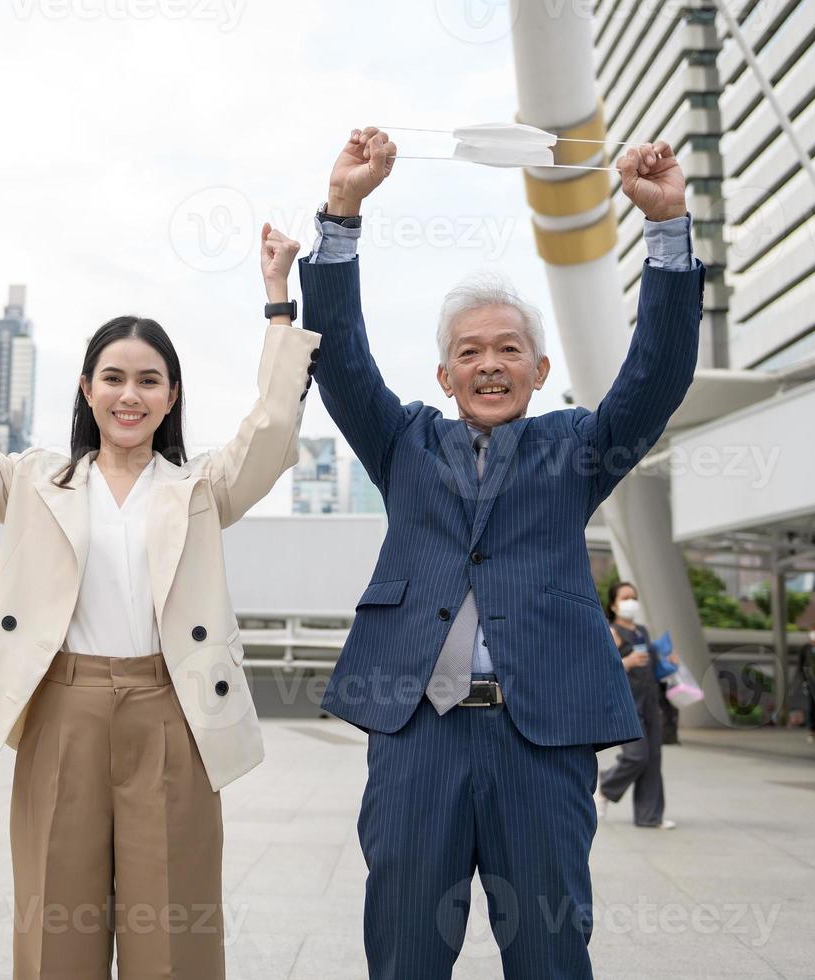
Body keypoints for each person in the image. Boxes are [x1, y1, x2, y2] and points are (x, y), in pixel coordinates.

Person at [299, 127, 703, 978]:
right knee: (404, 952)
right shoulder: (401, 442)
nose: (489, 366)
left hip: (541, 738)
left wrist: (666, 228)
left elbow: (656, 374)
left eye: (507, 350)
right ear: (443, 376)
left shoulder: (574, 448)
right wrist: (342, 214)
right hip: (417, 739)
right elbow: (337, 359)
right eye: (469, 353)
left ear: (538, 367)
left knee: (551, 955)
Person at [0, 220, 318, 979]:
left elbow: (271, 431)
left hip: (170, 712)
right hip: (62, 712)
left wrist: (277, 301)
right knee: (55, 929)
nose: (129, 394)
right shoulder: (34, 480)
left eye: (149, 380)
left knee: (171, 933)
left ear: (172, 396)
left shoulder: (200, 489)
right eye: (113, 377)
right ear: (86, 387)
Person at [594, 582, 677, 830]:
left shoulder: (641, 631)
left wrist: (667, 660)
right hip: (627, 701)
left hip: (650, 699)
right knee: (637, 756)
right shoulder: (611, 631)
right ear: (614, 604)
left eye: (634, 597)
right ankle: (606, 786)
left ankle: (649, 816)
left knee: (653, 759)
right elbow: (601, 667)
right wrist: (626, 661)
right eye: (625, 597)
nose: (631, 602)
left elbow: (650, 662)